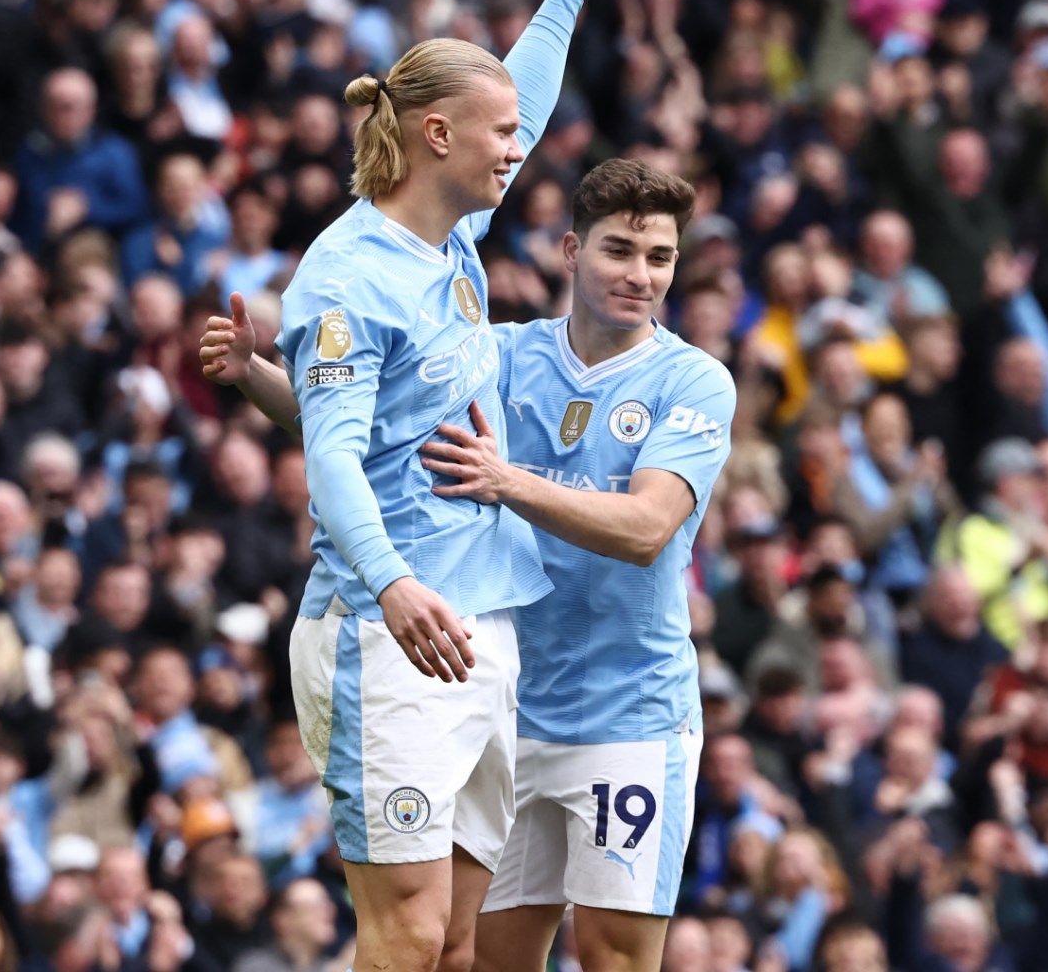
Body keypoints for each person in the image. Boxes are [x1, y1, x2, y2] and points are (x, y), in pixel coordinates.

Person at [218, 0, 642, 972]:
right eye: (496, 133)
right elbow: (331, 463)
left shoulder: (446, 234)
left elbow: (526, 97)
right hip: (386, 630)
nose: (519, 147)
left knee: (459, 945)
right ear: (438, 137)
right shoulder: (350, 278)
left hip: (480, 625)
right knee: (403, 937)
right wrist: (397, 588)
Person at [202, 157, 733, 971]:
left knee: (616, 957)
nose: (640, 275)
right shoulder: (502, 353)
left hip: (629, 715)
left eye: (658, 257)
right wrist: (255, 378)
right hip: (505, 701)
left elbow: (647, 528)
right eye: (619, 250)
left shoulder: (692, 380)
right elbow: (365, 439)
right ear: (570, 251)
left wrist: (505, 479)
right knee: (483, 958)